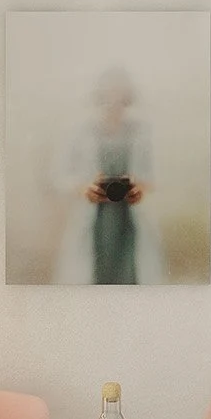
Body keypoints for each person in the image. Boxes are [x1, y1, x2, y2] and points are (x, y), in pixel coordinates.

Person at [52, 65, 164, 284]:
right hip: (94, 219)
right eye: (109, 92)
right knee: (90, 277)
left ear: (129, 95)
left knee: (131, 277)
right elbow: (59, 175)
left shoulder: (141, 131)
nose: (114, 100)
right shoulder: (81, 131)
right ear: (99, 94)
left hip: (128, 221)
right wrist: (84, 188)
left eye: (120, 93)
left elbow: (153, 176)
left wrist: (139, 188)